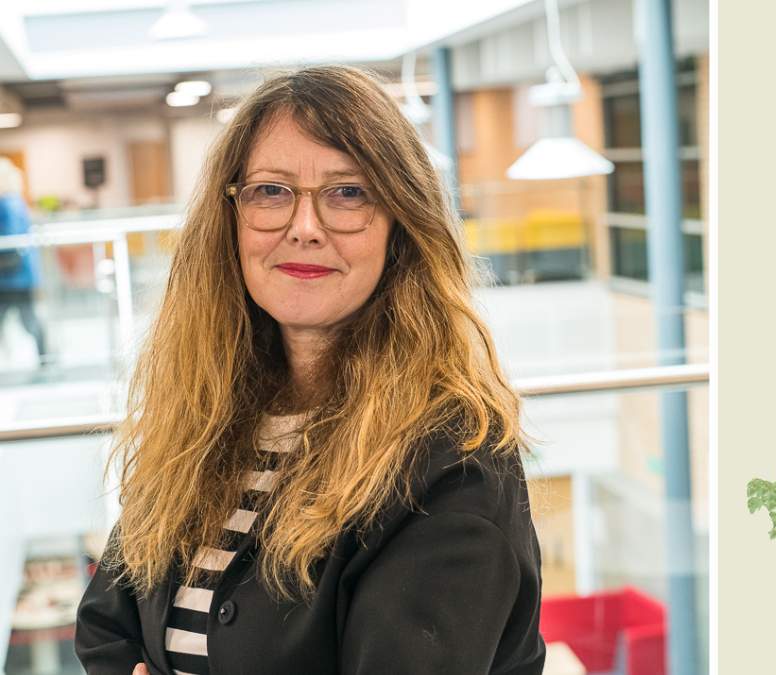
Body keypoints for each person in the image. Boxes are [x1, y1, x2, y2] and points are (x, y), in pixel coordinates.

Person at [74, 65, 545, 675]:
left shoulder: (451, 462)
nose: (304, 228)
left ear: (400, 226)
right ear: (232, 217)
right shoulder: (206, 419)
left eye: (349, 192)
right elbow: (108, 626)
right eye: (271, 191)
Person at [0, 157, 49, 367]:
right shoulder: (16, 201)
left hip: (13, 277)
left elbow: (9, 237)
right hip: (19, 276)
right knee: (29, 320)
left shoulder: (7, 203)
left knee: (29, 321)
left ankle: (47, 361)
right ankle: (46, 361)